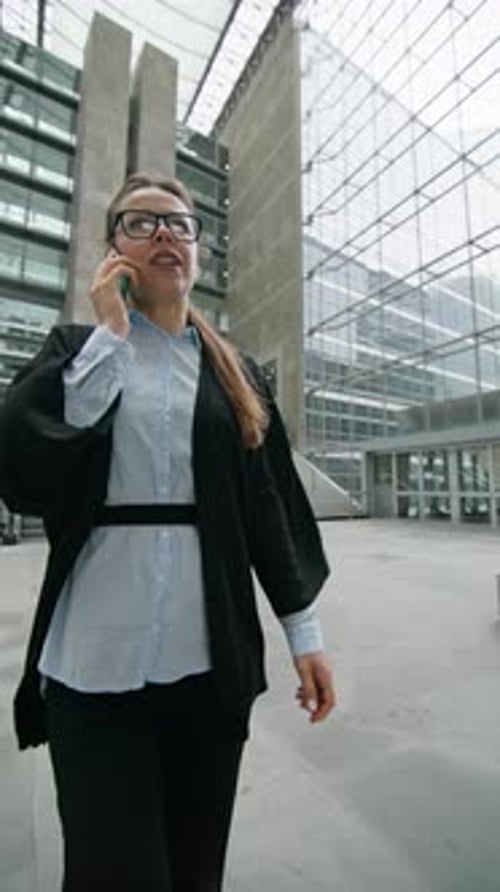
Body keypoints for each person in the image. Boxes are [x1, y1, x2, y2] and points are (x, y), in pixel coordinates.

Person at [0, 173, 336, 892]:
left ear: (198, 250)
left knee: (194, 870)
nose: (163, 235)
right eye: (140, 223)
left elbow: (268, 509)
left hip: (206, 671)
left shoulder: (235, 373)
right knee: (113, 873)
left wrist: (304, 635)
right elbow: (27, 466)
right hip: (93, 669)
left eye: (178, 225)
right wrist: (111, 337)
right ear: (112, 248)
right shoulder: (73, 351)